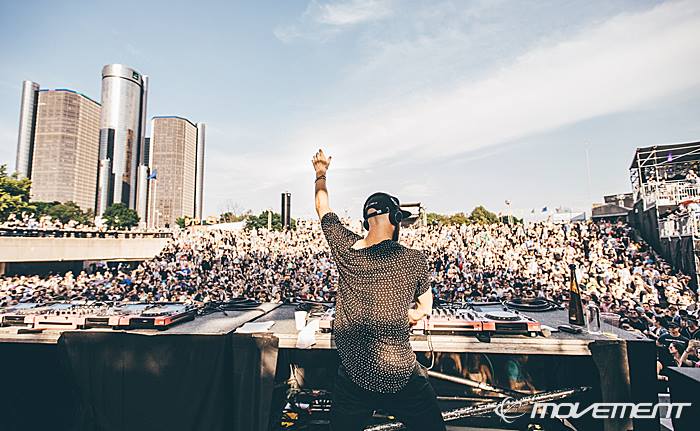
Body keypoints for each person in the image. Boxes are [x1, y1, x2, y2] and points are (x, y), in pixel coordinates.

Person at [311, 149, 446, 431]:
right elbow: (425, 308)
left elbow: (322, 208)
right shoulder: (413, 259)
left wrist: (320, 173)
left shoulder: (346, 248)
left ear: (366, 221)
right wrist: (406, 316)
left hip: (354, 375)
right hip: (400, 374)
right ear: (395, 218)